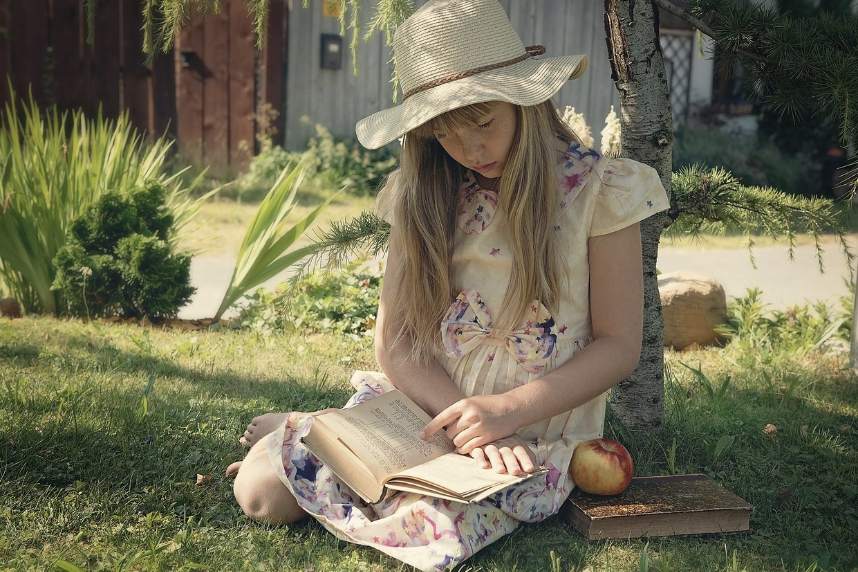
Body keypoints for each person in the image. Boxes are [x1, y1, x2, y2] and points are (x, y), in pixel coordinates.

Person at [226, 0, 669, 569]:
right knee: (263, 495)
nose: (471, 149)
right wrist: (472, 423)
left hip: (527, 436)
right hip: (429, 412)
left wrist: (506, 414)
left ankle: (307, 430)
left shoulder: (602, 194)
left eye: (484, 122)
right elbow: (397, 344)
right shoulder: (423, 196)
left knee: (438, 531)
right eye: (445, 133)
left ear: (525, 98)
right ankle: (310, 432)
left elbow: (618, 345)